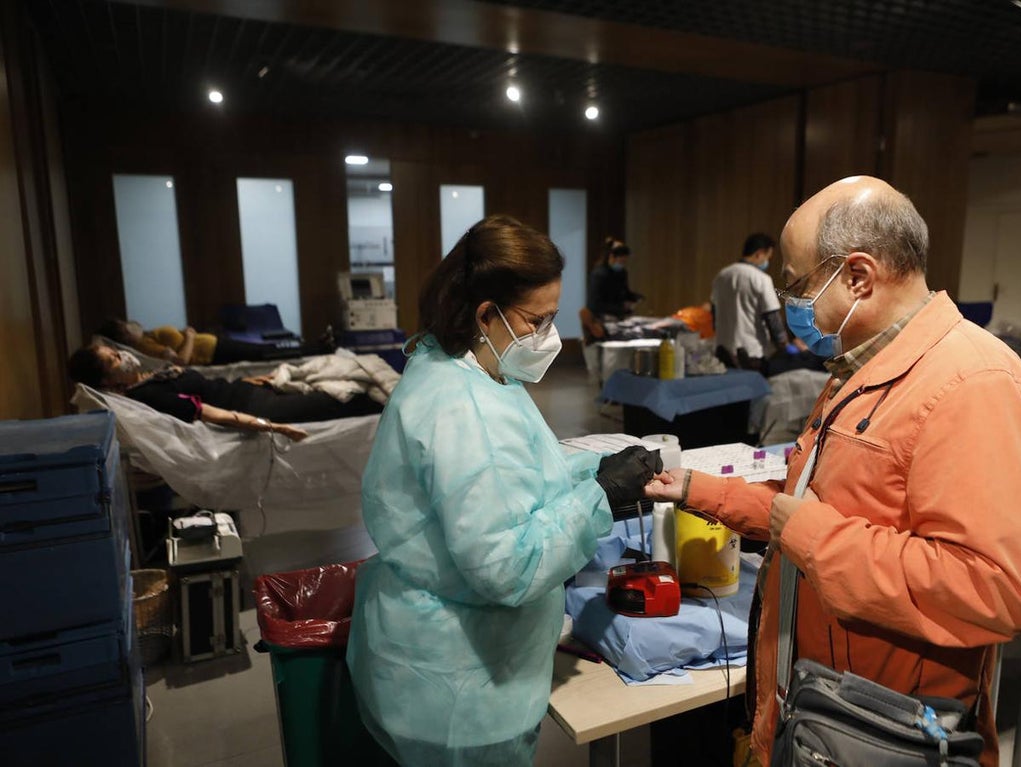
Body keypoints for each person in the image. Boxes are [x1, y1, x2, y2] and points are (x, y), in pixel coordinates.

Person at [647, 176, 1021, 767]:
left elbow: (991, 588)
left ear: (858, 277)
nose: (792, 305)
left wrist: (814, 536)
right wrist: (695, 489)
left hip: (880, 732)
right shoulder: (865, 368)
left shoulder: (974, 386)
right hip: (819, 714)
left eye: (797, 285)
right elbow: (810, 502)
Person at [346, 214, 664, 766]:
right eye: (536, 320)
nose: (547, 336)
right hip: (459, 687)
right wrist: (600, 499)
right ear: (486, 314)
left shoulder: (473, 369)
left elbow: (513, 476)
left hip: (443, 651)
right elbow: (505, 566)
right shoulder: (459, 406)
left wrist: (594, 472)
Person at [66, 343, 383, 440]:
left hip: (251, 390)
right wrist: (273, 427)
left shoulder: (148, 378)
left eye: (116, 352)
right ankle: (398, 403)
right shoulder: (146, 397)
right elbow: (209, 412)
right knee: (348, 399)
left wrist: (264, 378)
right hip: (260, 408)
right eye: (113, 360)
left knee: (342, 375)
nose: (123, 357)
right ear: (106, 381)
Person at [711, 232, 792, 373]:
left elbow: (714, 313)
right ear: (760, 253)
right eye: (768, 257)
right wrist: (784, 347)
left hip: (723, 352)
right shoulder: (760, 278)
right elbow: (772, 318)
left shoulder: (721, 276)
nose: (767, 262)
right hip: (751, 355)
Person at [98, 317, 329, 366]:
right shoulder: (144, 346)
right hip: (213, 352)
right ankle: (320, 348)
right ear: (122, 336)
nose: (129, 326)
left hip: (215, 344)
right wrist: (189, 336)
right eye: (123, 328)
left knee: (267, 349)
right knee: (268, 351)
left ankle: (319, 346)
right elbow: (181, 361)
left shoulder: (146, 337)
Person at [586, 236, 643, 321]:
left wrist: (635, 298)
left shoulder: (622, 273)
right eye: (621, 261)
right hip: (602, 318)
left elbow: (625, 292)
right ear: (612, 257)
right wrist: (621, 307)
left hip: (619, 316)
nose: (623, 264)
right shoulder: (599, 274)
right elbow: (594, 304)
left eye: (625, 262)